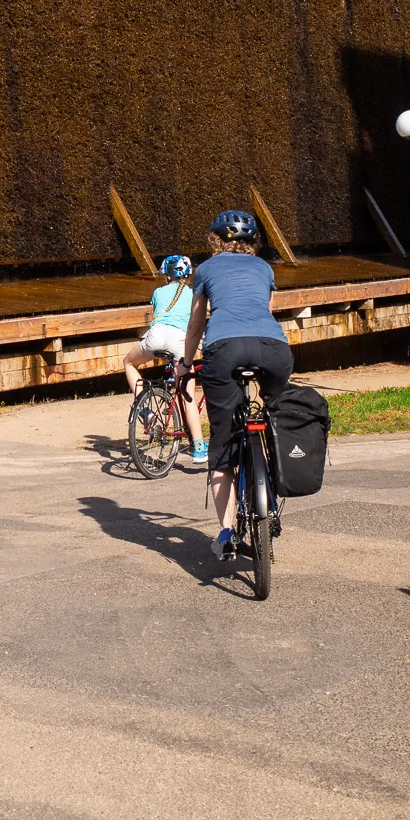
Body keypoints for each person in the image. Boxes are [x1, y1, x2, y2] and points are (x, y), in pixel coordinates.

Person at [181, 209, 294, 562]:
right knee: (275, 417)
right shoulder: (264, 268)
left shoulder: (205, 269)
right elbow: (266, 311)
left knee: (222, 443)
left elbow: (196, 324)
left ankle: (226, 532)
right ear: (252, 242)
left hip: (224, 349)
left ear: (215, 240)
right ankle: (272, 476)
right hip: (273, 349)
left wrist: (185, 364)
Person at [122, 254, 208, 464]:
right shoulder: (194, 293)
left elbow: (159, 312)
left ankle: (145, 411)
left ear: (167, 275)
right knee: (188, 395)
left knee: (129, 363)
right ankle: (198, 447)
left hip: (156, 337)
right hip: (180, 341)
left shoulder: (158, 292)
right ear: (188, 275)